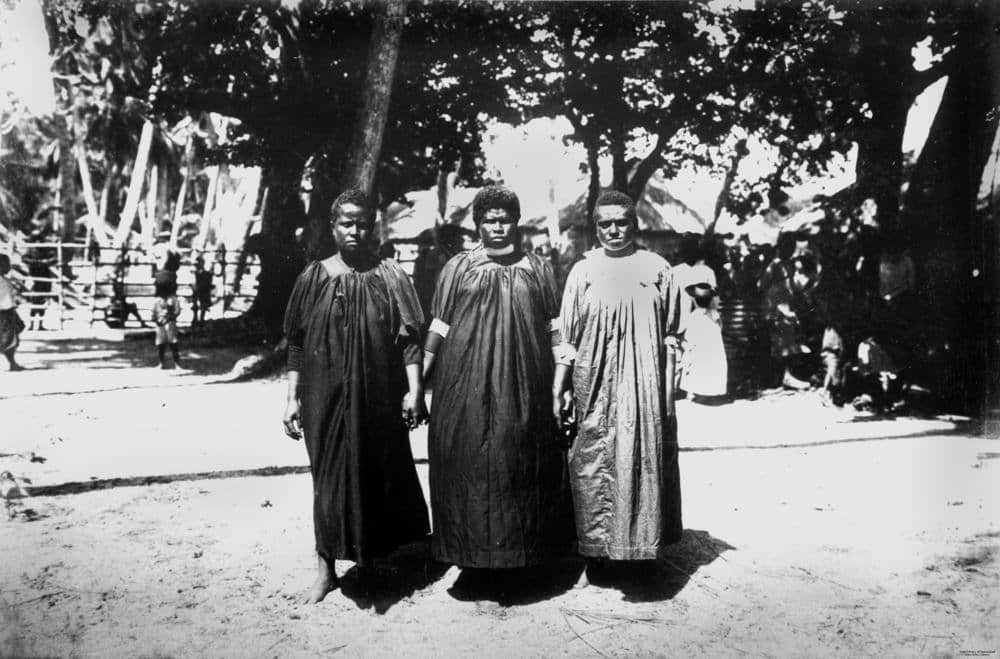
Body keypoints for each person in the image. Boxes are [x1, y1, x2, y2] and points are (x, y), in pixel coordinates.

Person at [281, 188, 430, 604]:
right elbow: (296, 343)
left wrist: (415, 391)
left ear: (375, 227)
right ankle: (325, 568)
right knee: (326, 480)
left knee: (380, 472)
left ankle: (380, 561)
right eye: (347, 223)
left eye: (364, 224)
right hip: (323, 399)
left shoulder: (390, 276)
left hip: (379, 397)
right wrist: (292, 398)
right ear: (333, 227)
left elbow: (410, 342)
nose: (356, 231)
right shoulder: (314, 277)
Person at [423, 185, 572, 575]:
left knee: (518, 456)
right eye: (490, 220)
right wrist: (419, 378)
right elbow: (440, 324)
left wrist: (560, 381)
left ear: (516, 222)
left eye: (505, 219)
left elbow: (554, 328)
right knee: (468, 456)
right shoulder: (458, 267)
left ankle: (522, 559)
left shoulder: (537, 268)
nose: (498, 226)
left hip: (525, 381)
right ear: (478, 224)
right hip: (464, 380)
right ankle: (473, 559)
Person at [552, 191, 684, 579]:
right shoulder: (583, 271)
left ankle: (641, 550)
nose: (613, 230)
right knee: (593, 457)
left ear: (634, 224)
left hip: (643, 386)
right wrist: (558, 387)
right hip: (593, 383)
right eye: (605, 224)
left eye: (621, 222)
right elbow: (568, 338)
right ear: (596, 228)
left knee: (641, 458)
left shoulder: (657, 268)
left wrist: (668, 396)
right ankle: (597, 550)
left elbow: (672, 334)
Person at [680, 282, 728, 401]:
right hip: (713, 350)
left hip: (699, 350)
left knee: (690, 354)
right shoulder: (714, 314)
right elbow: (720, 328)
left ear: (695, 300)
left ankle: (692, 390)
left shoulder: (694, 315)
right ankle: (711, 390)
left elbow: (689, 335)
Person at [0, 254, 25, 371]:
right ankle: (12, 363)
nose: (8, 267)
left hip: (8, 311)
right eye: (5, 265)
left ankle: (12, 363)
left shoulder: (5, 280)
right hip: (2, 313)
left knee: (12, 338)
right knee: (6, 339)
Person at [152, 278, 181, 369]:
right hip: (160, 324)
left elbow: (177, 311)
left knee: (173, 342)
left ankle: (177, 363)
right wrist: (156, 319)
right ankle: (161, 363)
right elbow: (153, 312)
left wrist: (171, 317)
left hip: (170, 322)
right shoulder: (157, 300)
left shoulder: (173, 299)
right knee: (160, 343)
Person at [191, 255, 214, 326]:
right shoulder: (194, 273)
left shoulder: (206, 273)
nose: (198, 265)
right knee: (195, 305)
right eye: (197, 264)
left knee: (203, 305)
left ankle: (201, 320)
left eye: (199, 263)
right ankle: (195, 319)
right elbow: (192, 283)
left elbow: (209, 282)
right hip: (197, 290)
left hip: (203, 291)